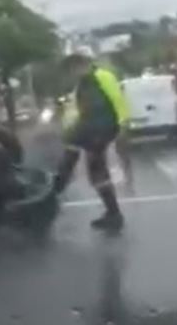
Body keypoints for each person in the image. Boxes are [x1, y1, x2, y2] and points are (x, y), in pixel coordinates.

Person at [54, 47, 129, 231]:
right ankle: (113, 213)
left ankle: (56, 189)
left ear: (85, 63)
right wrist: (67, 128)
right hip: (90, 127)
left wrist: (123, 124)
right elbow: (77, 111)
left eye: (76, 66)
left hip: (102, 127)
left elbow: (118, 99)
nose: (74, 71)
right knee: (95, 170)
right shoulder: (81, 85)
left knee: (79, 156)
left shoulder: (102, 76)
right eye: (72, 68)